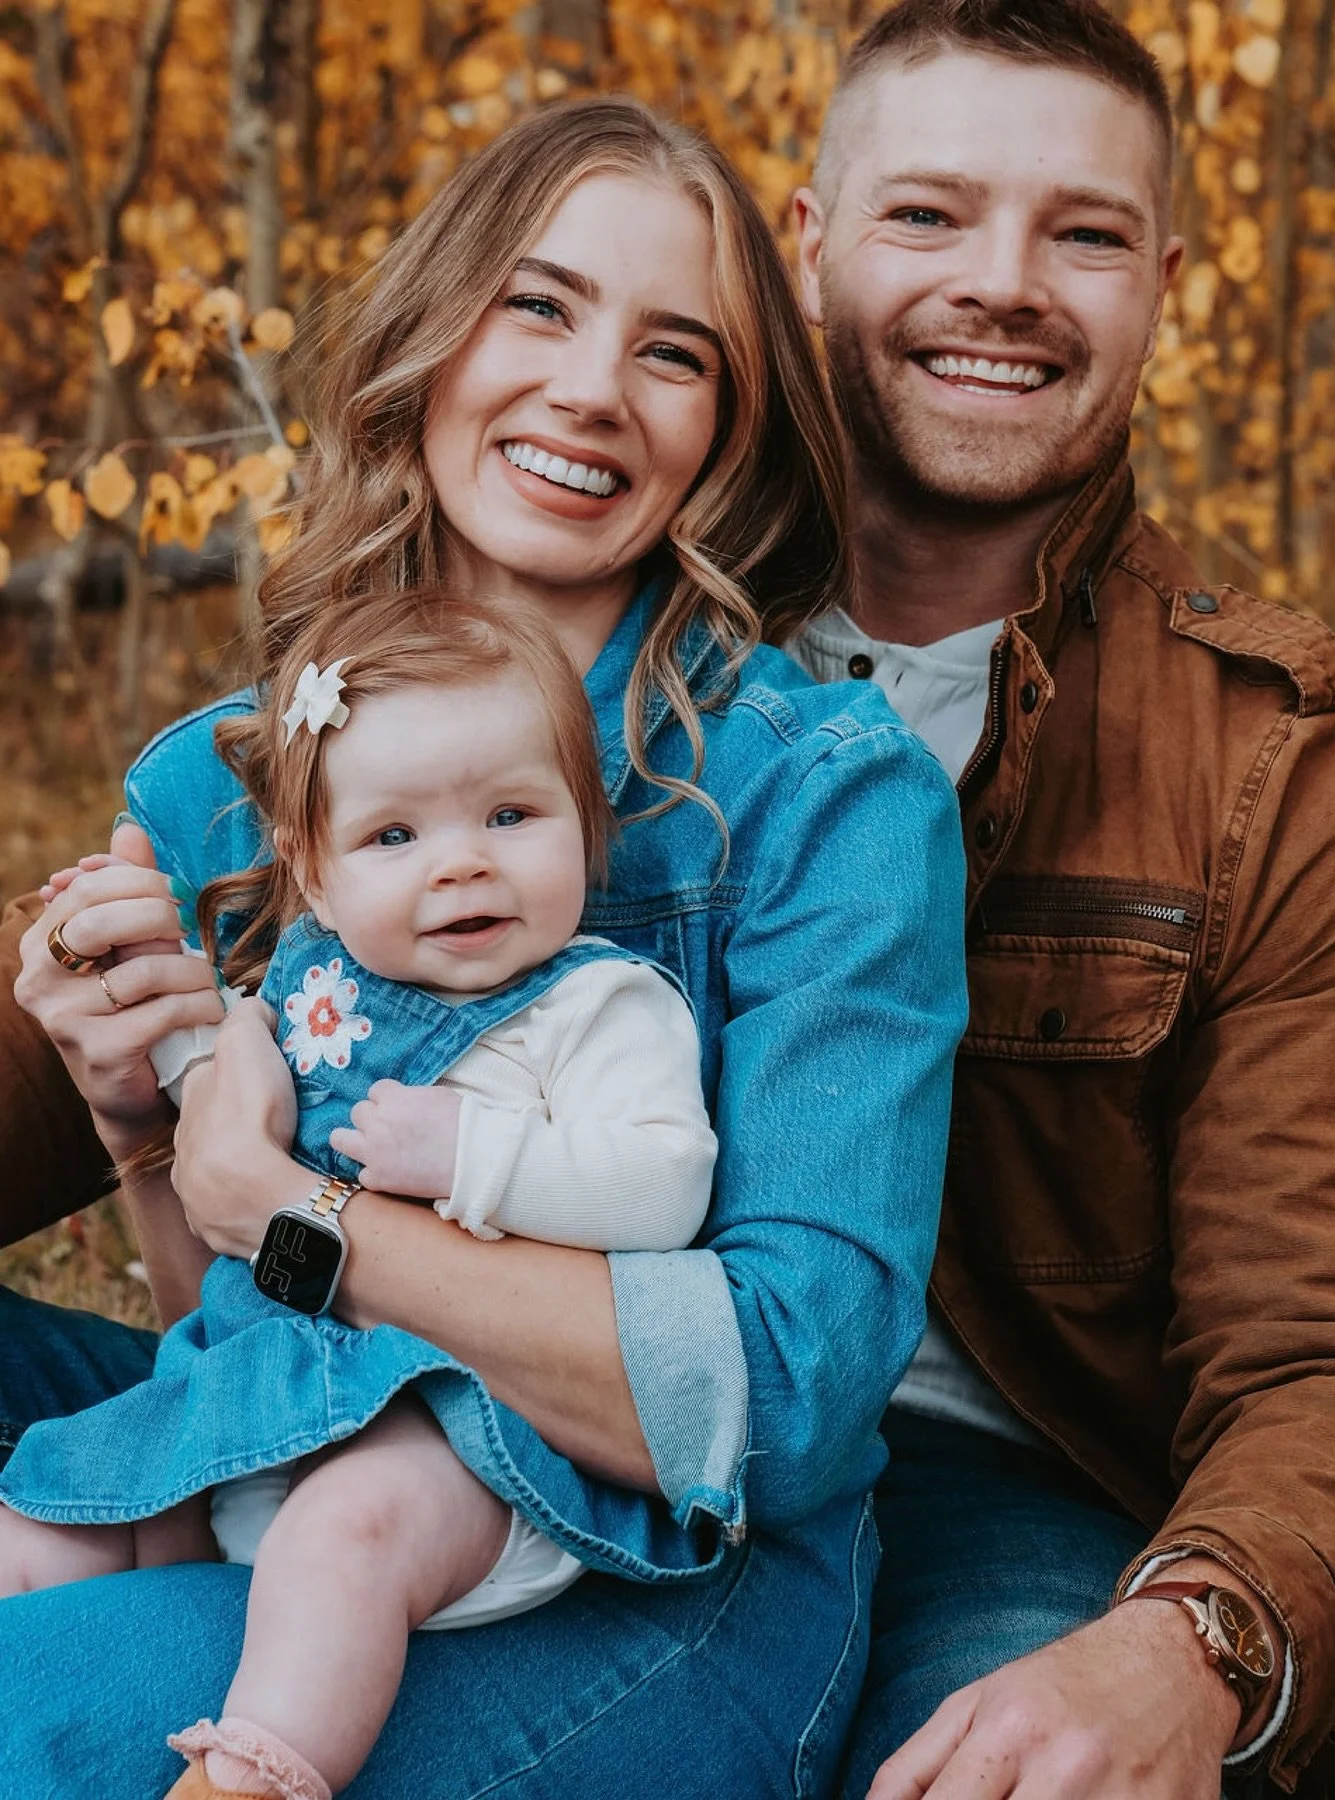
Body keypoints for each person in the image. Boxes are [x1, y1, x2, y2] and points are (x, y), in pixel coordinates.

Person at [0, 97, 968, 1796]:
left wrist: (309, 1218)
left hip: (655, 1575)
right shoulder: (234, 779)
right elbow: (230, 1334)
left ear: (726, 439)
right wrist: (148, 1137)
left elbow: (795, 1394)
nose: (593, 388)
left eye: (675, 354)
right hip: (305, 1470)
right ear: (431, 337)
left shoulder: (821, 791)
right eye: (540, 304)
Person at [784, 3, 1335, 1797]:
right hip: (553, 1426)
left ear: (1159, 283)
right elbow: (183, 939)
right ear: (806, 240)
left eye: (1081, 233)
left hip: (1005, 1508)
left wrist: (1191, 1645)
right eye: (928, 216)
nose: (1005, 283)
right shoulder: (592, 603)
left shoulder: (1255, 753)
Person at [0, 591, 722, 1800]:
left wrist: (475, 1156)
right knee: (62, 1505)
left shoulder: (598, 1007)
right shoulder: (313, 990)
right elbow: (229, 1109)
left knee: (343, 1539)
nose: (463, 860)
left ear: (587, 833)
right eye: (395, 837)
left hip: (470, 1447)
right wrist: (157, 1003)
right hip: (264, 1411)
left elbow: (665, 1190)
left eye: (511, 814)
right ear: (316, 882)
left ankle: (253, 1778)